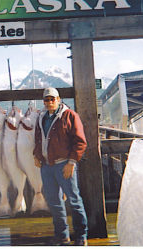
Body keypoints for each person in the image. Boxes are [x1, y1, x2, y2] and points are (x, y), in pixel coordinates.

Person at [33, 87, 88, 246]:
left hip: (64, 164)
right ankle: (62, 235)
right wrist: (36, 155)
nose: (49, 102)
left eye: (52, 99)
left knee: (74, 200)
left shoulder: (70, 115)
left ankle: (81, 236)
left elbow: (80, 142)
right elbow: (38, 138)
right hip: (47, 166)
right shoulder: (41, 117)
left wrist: (72, 162)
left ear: (58, 99)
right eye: (46, 100)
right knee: (54, 202)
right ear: (43, 102)